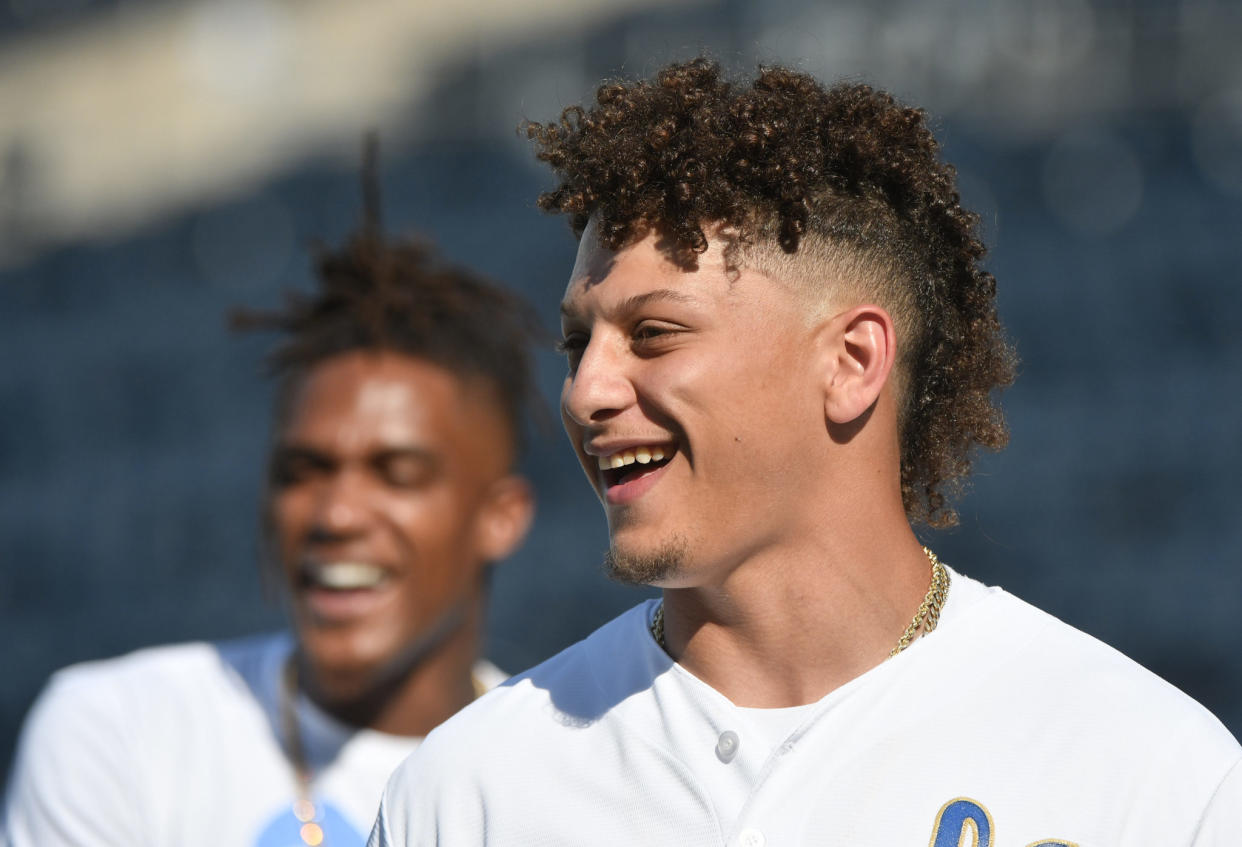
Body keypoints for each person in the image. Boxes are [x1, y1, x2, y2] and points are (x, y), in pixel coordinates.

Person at [370, 58, 1242, 846]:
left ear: (852, 362)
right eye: (576, 344)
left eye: (655, 334)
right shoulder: (465, 796)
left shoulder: (1149, 778)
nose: (585, 391)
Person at [3, 186, 540, 846]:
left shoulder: (563, 782)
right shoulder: (120, 732)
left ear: (501, 516)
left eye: (397, 472)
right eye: (301, 471)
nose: (337, 513)